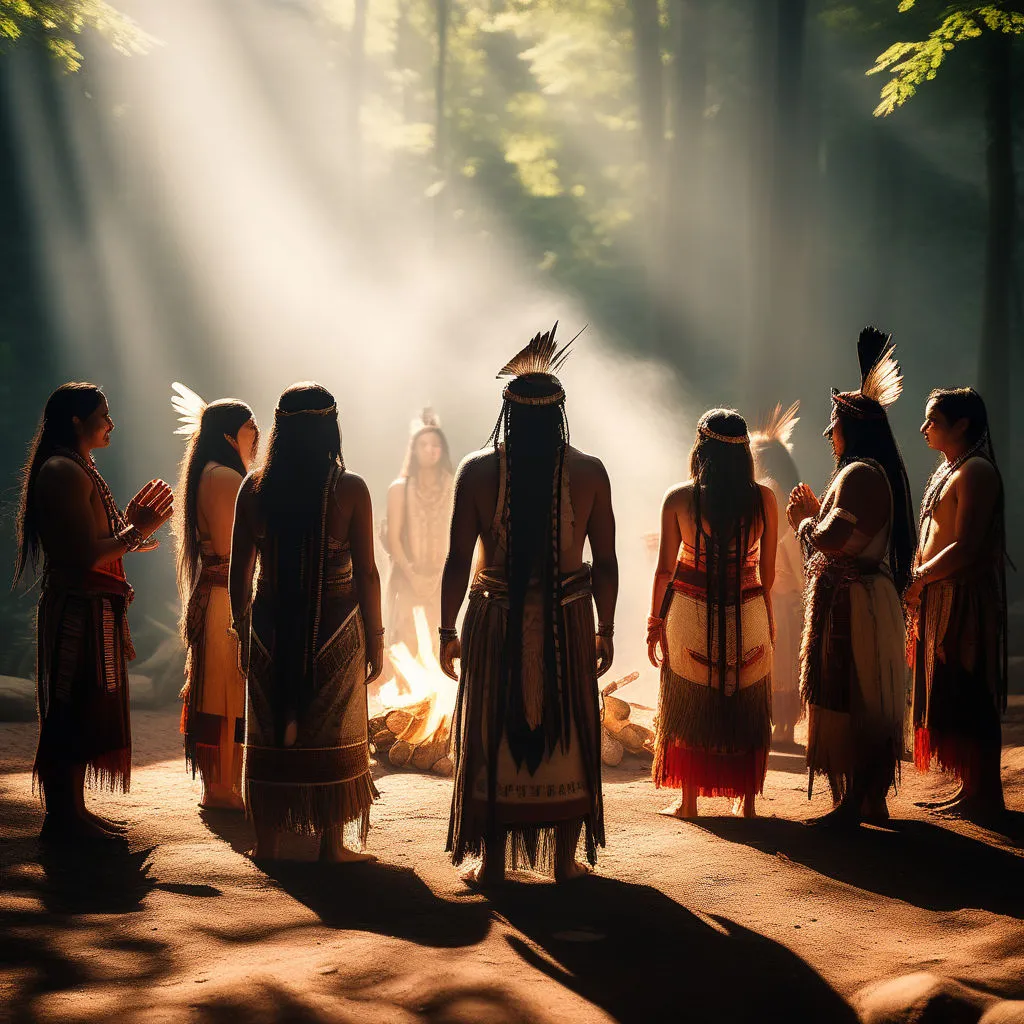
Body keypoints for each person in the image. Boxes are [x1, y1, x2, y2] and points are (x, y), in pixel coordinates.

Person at [440, 324, 617, 885]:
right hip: (567, 617)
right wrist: (605, 627)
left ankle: (492, 864)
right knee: (566, 727)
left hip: (495, 618)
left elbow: (455, 560)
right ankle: (564, 862)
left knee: (493, 725)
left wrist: (448, 630)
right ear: (561, 414)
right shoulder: (589, 472)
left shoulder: (477, 470)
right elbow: (607, 562)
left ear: (507, 414)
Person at [229, 382, 383, 862]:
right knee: (332, 729)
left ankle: (269, 842)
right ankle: (331, 846)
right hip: (334, 627)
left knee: (272, 727)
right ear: (330, 427)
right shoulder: (350, 489)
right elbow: (368, 571)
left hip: (270, 626)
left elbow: (240, 573)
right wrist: (375, 638)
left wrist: (243, 632)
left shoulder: (253, 488)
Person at [13, 383, 173, 839]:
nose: (111, 423)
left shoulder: (79, 467)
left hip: (91, 607)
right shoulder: (64, 470)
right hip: (76, 611)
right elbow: (82, 554)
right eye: (104, 415)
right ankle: (64, 816)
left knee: (87, 707)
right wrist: (134, 530)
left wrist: (133, 534)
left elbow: (94, 544)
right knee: (72, 707)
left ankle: (74, 811)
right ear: (77, 422)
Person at [787, 328, 916, 826]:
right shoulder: (862, 471)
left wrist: (803, 519)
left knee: (855, 697)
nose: (827, 433)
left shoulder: (861, 473)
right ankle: (866, 799)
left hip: (857, 604)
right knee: (856, 695)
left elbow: (833, 539)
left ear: (852, 429)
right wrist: (819, 516)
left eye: (833, 423)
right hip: (856, 598)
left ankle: (853, 804)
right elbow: (842, 530)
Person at [648, 409, 778, 819]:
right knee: (745, 698)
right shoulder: (764, 499)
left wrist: (655, 623)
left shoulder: (679, 499)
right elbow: (767, 572)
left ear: (700, 448)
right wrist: (766, 617)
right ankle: (748, 803)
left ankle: (688, 802)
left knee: (690, 698)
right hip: (747, 609)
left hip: (690, 613)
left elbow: (665, 571)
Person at [905, 388, 1007, 820]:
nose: (924, 427)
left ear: (962, 424)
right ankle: (970, 790)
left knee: (969, 690)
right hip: (939, 596)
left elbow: (966, 546)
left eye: (933, 420)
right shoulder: (953, 470)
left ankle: (984, 795)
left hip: (963, 600)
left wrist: (921, 576)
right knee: (951, 691)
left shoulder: (976, 472)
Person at [171, 383, 259, 811]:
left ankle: (224, 787)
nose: (257, 434)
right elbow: (235, 549)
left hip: (223, 596)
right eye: (249, 427)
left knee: (225, 690)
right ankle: (222, 788)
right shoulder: (224, 477)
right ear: (229, 434)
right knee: (224, 692)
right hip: (227, 599)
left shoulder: (211, 472)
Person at [751, 402, 805, 749]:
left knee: (780, 663)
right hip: (774, 593)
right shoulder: (768, 493)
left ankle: (783, 727)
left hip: (779, 594)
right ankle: (778, 725)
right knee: (775, 662)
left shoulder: (774, 495)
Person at [384, 409, 454, 657]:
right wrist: (414, 577)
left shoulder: (455, 487)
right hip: (408, 580)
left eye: (435, 444)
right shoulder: (399, 490)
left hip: (444, 582)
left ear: (442, 449)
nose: (429, 449)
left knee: (440, 646)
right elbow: (393, 540)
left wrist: (437, 579)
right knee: (408, 648)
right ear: (413, 449)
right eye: (423, 444)